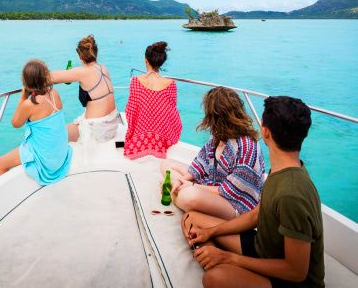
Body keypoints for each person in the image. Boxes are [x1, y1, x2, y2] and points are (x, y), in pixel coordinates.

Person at [182, 96, 324, 288]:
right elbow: (257, 214)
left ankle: (221, 263)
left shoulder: (292, 194)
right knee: (191, 219)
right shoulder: (282, 169)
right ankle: (217, 260)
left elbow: (296, 272)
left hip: (290, 280)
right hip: (262, 248)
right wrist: (210, 232)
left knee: (214, 279)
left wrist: (228, 258)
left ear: (265, 132)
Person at [161, 86, 265, 220]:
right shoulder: (218, 136)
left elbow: (230, 191)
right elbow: (200, 164)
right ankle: (177, 190)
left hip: (236, 205)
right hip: (212, 185)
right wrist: (182, 181)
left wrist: (192, 185)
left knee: (189, 196)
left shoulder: (247, 147)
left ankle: (175, 194)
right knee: (166, 164)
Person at [0, 60, 72, 185]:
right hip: (60, 155)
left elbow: (15, 123)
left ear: (26, 83)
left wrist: (23, 98)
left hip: (46, 161)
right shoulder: (54, 93)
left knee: (1, 162)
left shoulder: (29, 104)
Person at [51, 35, 118, 146]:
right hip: (111, 126)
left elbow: (52, 77)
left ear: (80, 56)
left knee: (54, 135)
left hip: (97, 130)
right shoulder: (103, 68)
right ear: (96, 53)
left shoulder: (83, 71)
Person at [124, 41, 182, 159]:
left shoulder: (135, 81)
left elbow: (130, 111)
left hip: (140, 136)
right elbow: (172, 113)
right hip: (162, 137)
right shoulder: (171, 84)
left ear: (146, 60)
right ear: (161, 62)